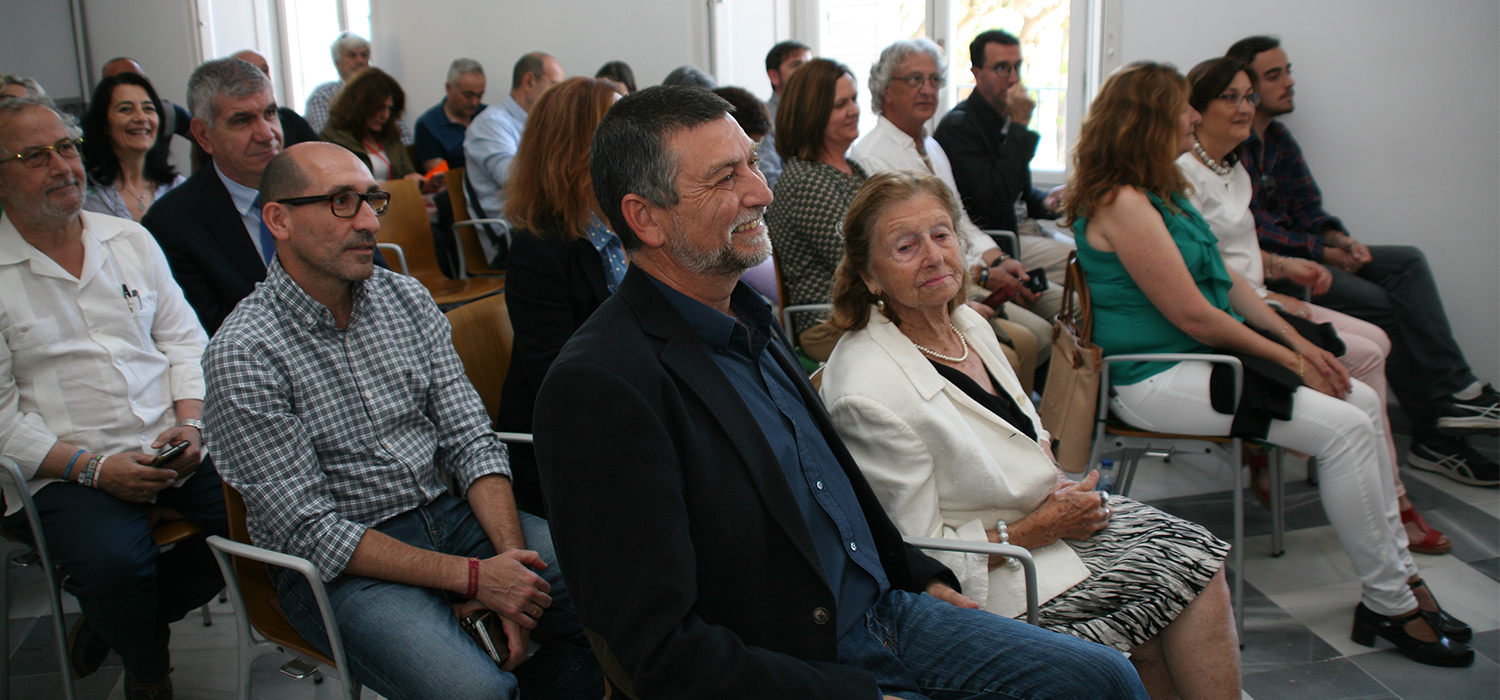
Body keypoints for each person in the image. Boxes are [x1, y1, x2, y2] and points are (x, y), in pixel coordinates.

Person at [532, 84, 1150, 700]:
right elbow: (657, 649)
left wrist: (919, 577)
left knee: (1104, 678)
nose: (762, 190)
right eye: (726, 177)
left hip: (891, 612)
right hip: (800, 664)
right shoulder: (601, 385)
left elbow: (833, 491)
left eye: (753, 161)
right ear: (646, 218)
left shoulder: (745, 316)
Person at [1065, 61, 1472, 667]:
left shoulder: (1160, 191)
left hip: (1200, 367)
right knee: (1347, 427)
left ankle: (1401, 580)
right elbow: (1195, 316)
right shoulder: (1121, 202)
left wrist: (1302, 345)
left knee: (1358, 402)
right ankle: (1390, 601)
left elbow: (1228, 283)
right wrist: (1290, 356)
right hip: (1153, 378)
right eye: (1184, 106)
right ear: (1151, 120)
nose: (1195, 116)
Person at [202, 142, 603, 700]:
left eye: (371, 200)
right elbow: (311, 532)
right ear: (279, 220)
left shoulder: (404, 299)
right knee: (476, 692)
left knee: (631, 605)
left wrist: (508, 564)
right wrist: (475, 579)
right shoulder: (245, 351)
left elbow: (471, 442)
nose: (368, 221)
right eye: (342, 202)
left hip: (455, 518)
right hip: (344, 568)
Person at [820, 170, 1239, 700]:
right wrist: (1037, 527)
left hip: (1045, 519)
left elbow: (1025, 426)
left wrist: (1054, 485)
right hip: (1005, 572)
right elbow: (912, 552)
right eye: (906, 246)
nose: (933, 256)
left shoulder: (964, 323)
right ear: (870, 275)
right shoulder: (868, 390)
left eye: (943, 235)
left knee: (1199, 556)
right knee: (1186, 584)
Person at [0, 96, 226, 700]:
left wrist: (192, 423)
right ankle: (149, 673)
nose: (61, 165)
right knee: (116, 566)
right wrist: (94, 468)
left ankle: (120, 625)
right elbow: (0, 424)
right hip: (61, 466)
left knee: (262, 514)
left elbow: (186, 342)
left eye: (67, 147)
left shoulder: (129, 239)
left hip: (168, 440)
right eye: (33, 155)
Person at [1178, 56, 1449, 555]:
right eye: (1231, 97)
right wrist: (1275, 284)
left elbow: (1236, 252)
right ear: (1196, 107)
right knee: (1366, 356)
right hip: (1239, 306)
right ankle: (1388, 498)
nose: (1244, 108)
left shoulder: (1234, 167)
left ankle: (1351, 474)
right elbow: (1207, 267)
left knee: (1379, 340)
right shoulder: (1183, 176)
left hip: (1258, 295)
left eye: (1249, 97)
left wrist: (1279, 271)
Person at [1226, 35, 1498, 487]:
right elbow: (1250, 232)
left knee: (1407, 262)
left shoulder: (1278, 138)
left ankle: (1457, 392)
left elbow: (1308, 208)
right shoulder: (1232, 146)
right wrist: (1321, 252)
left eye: (1288, 70)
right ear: (1247, 88)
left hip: (1310, 256)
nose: (1290, 83)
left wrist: (1339, 239)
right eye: (1274, 76)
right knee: (1383, 306)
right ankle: (1434, 435)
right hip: (1278, 270)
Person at [850, 37, 1061, 385]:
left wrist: (996, 258)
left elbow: (958, 219)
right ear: (886, 89)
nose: (928, 90)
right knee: (1034, 336)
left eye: (934, 80)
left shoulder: (931, 145)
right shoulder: (873, 154)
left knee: (1045, 329)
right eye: (914, 80)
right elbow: (905, 247)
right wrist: (981, 274)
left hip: (965, 269)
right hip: (933, 278)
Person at [494, 77, 622, 517]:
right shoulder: (537, 249)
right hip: (572, 441)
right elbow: (561, 378)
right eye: (618, 124)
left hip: (632, 411)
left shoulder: (636, 222)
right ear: (579, 147)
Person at [144, 57, 286, 335]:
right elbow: (217, 332)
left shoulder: (320, 187)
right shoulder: (173, 225)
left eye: (270, 113)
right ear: (203, 136)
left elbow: (371, 283)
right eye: (242, 120)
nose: (266, 133)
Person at [934, 30, 1076, 281]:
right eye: (1002, 68)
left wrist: (1046, 201)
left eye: (1017, 67)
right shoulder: (959, 127)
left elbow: (1020, 193)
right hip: (998, 239)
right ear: (977, 74)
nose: (1013, 78)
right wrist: (1020, 129)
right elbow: (994, 200)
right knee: (1085, 262)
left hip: (1024, 227)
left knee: (1094, 254)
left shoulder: (1006, 117)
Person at [764, 58, 866, 344]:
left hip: (871, 309)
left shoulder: (855, 169)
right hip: (830, 321)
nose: (854, 110)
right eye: (840, 104)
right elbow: (855, 259)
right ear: (811, 114)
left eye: (854, 99)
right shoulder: (805, 181)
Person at [464, 51, 565, 267]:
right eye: (554, 86)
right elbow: (517, 182)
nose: (558, 95)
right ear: (529, 81)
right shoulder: (491, 123)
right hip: (511, 235)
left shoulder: (541, 125)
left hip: (539, 227)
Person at [80, 72, 185, 221]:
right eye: (126, 109)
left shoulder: (178, 188)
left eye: (148, 108)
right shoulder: (85, 194)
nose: (141, 118)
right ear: (104, 125)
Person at [319, 67, 423, 185]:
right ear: (360, 106)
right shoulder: (332, 138)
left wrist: (416, 182)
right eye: (379, 108)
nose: (385, 115)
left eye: (389, 108)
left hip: (396, 199)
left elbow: (407, 173)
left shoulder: (390, 134)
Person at [231, 49, 319, 147]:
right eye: (251, 72)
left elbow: (321, 153)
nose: (261, 77)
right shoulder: (229, 121)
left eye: (264, 70)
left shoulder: (289, 119)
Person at [757, 40, 812, 190]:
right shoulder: (763, 119)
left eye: (809, 65)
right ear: (774, 76)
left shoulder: (819, 115)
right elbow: (769, 181)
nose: (806, 72)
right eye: (796, 65)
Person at [415, 58, 486, 172]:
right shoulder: (428, 125)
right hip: (454, 187)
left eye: (479, 95)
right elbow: (439, 178)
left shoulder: (488, 116)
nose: (475, 102)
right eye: (468, 95)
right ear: (449, 88)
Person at [102, 57, 193, 143]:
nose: (141, 119)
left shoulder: (168, 112)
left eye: (137, 80)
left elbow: (202, 136)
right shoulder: (96, 120)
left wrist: (197, 159)